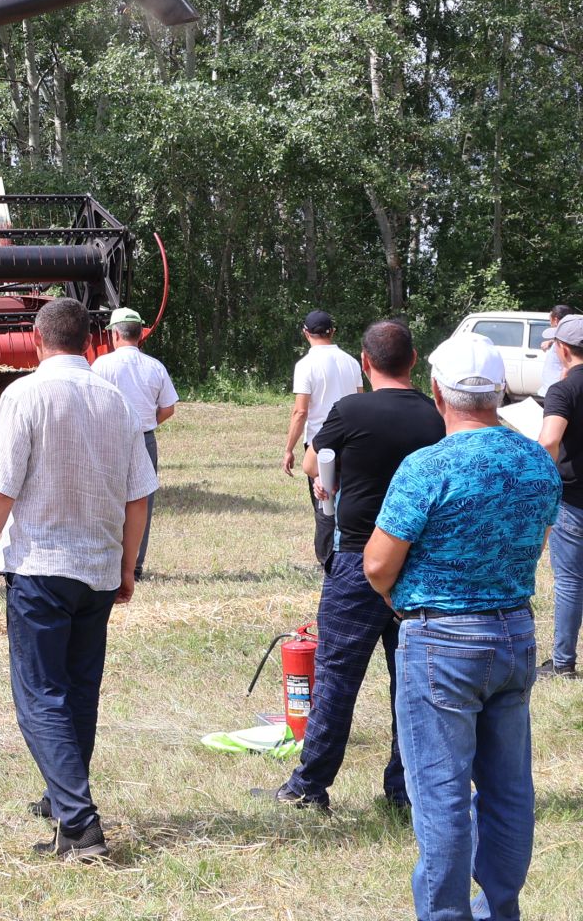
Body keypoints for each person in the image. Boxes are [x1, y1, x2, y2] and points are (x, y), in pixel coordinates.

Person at [364, 333, 560, 921]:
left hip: (441, 640)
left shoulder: (426, 467)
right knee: (508, 792)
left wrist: (400, 598)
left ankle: (446, 914)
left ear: (436, 391)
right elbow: (534, 543)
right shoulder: (534, 459)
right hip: (514, 636)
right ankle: (499, 909)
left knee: (442, 797)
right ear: (499, 391)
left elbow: (377, 563)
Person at [0, 297, 155, 863]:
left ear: (37, 340)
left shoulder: (24, 394)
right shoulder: (116, 400)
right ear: (90, 341)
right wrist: (126, 564)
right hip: (96, 569)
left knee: (40, 694)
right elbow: (138, 492)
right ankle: (59, 796)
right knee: (77, 690)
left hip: (42, 565)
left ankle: (79, 822)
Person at [260, 319, 443, 813]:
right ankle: (404, 790)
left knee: (337, 674)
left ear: (366, 362)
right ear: (415, 360)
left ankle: (309, 786)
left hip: (359, 559)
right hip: (419, 564)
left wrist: (331, 481)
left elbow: (313, 465)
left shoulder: (350, 410)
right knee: (412, 681)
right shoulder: (434, 417)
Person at [90, 306, 178, 580]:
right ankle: (135, 566)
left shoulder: (101, 365)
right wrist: (145, 423)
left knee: (106, 500)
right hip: (144, 440)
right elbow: (168, 408)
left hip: (109, 441)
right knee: (141, 503)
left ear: (115, 335)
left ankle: (107, 562)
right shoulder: (155, 367)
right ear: (140, 334)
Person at [283, 310, 362, 568]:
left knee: (324, 499)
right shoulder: (351, 362)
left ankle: (327, 559)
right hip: (353, 440)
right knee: (349, 497)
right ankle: (350, 552)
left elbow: (300, 411)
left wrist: (289, 449)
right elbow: (360, 399)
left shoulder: (306, 365)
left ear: (306, 333)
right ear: (333, 332)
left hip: (320, 444)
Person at [536, 312, 583, 679]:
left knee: (569, 581)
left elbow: (550, 440)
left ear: (564, 350)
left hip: (574, 498)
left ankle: (564, 662)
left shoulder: (564, 390)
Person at [538, 303, 575, 398]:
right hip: (552, 388)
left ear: (555, 319)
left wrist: (561, 391)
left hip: (557, 390)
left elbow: (567, 365)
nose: (549, 323)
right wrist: (551, 341)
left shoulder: (564, 340)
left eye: (550, 319)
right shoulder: (566, 335)